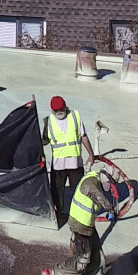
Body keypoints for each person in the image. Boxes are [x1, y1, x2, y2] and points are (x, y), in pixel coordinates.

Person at [43, 159, 129, 275]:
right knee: (81, 262)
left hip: (87, 225)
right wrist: (110, 209)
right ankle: (51, 274)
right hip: (80, 226)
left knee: (97, 255)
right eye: (110, 183)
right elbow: (94, 193)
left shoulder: (95, 178)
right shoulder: (90, 183)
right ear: (105, 176)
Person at [41, 95, 93, 227]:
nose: (59, 112)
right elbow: (42, 141)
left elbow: (84, 136)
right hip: (58, 165)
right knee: (57, 193)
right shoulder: (49, 121)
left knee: (78, 192)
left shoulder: (75, 116)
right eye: (56, 110)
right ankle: (59, 217)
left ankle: (79, 216)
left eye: (61, 110)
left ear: (65, 107)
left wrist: (91, 155)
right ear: (52, 110)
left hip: (75, 163)